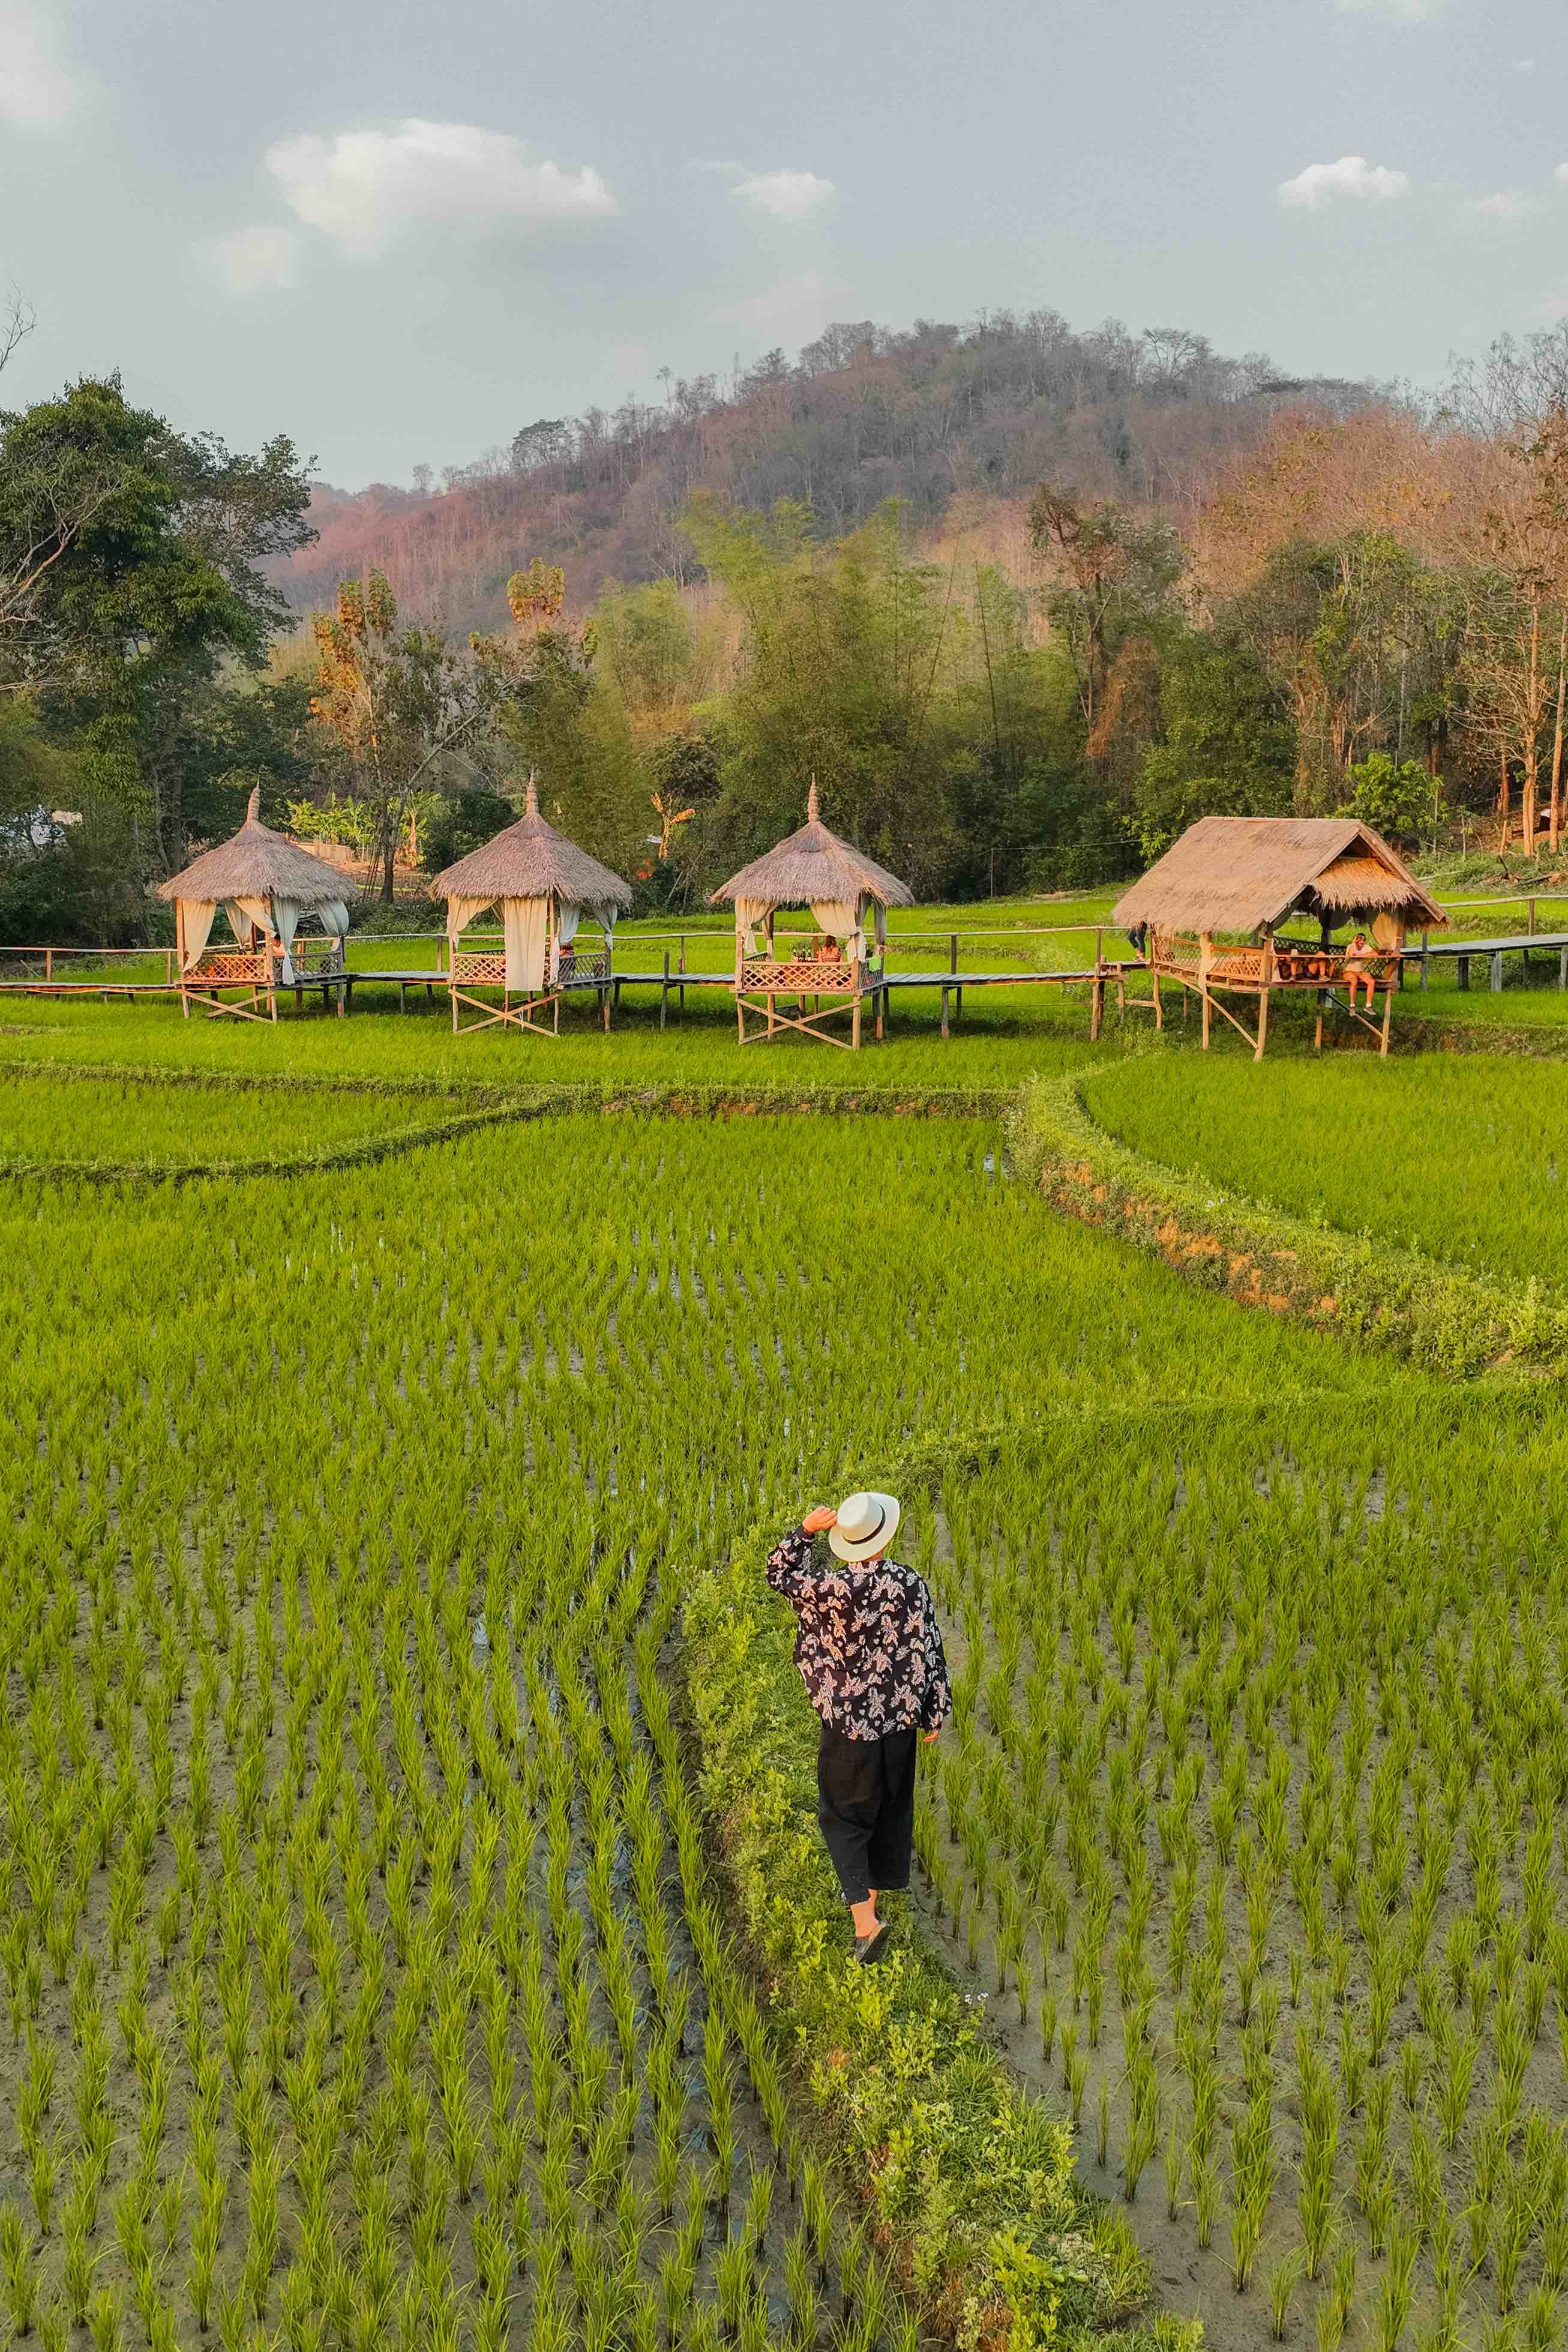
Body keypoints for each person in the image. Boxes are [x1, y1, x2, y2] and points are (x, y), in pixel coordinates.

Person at [766, 1491, 951, 1964]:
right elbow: (929, 1643)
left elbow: (778, 1573)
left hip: (849, 1730)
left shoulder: (830, 1588)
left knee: (843, 1818)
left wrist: (805, 1531)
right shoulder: (909, 1582)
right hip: (898, 1725)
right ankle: (869, 1904)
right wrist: (933, 1709)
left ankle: (865, 1925)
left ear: (846, 1540)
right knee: (888, 1811)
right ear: (883, 1538)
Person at [1344, 930, 1377, 1011]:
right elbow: (1350, 955)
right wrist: (1354, 942)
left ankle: (1368, 1005)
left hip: (1360, 972)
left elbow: (1375, 954)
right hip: (1349, 971)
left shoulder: (1366, 947)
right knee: (1354, 981)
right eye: (1360, 939)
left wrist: (1362, 955)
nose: (1362, 942)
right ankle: (1352, 1005)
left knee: (1371, 982)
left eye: (1364, 940)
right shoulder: (1351, 946)